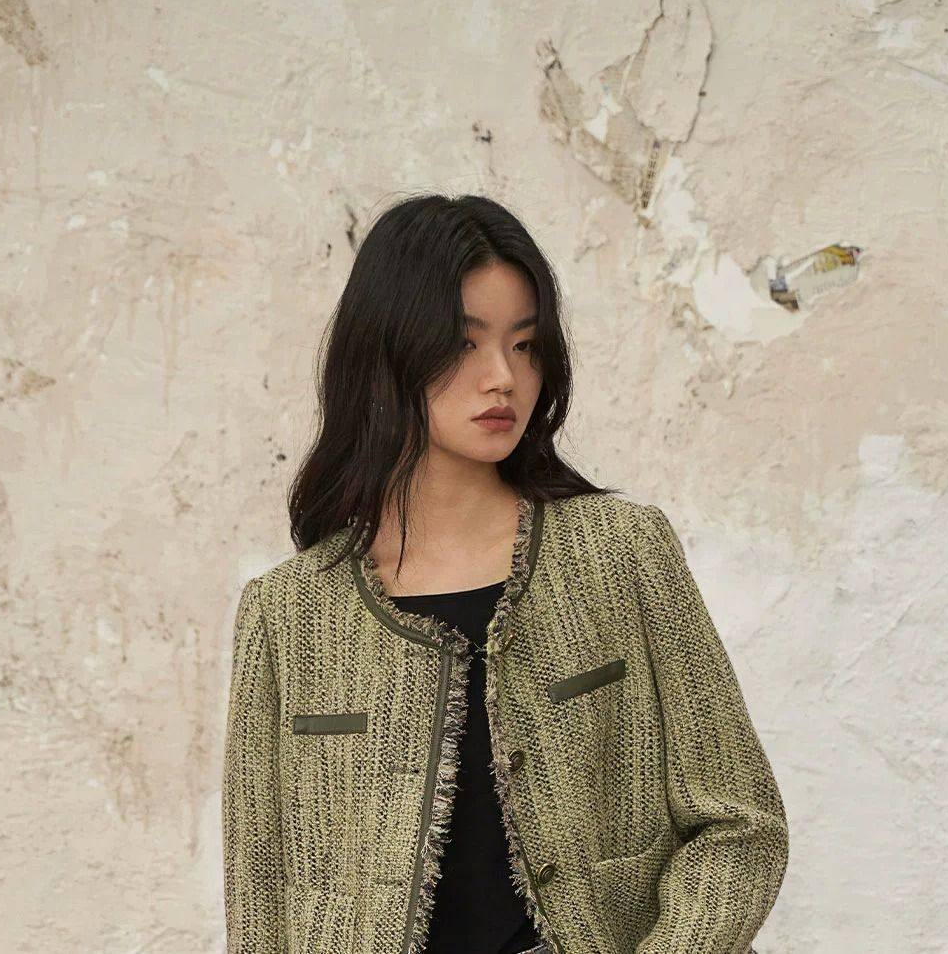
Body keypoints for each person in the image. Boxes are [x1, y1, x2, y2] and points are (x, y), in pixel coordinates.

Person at [222, 193, 789, 954]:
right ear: (388, 351)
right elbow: (260, 908)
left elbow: (739, 827)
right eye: (464, 343)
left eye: (525, 346)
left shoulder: (619, 553)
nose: (503, 378)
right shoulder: (290, 614)